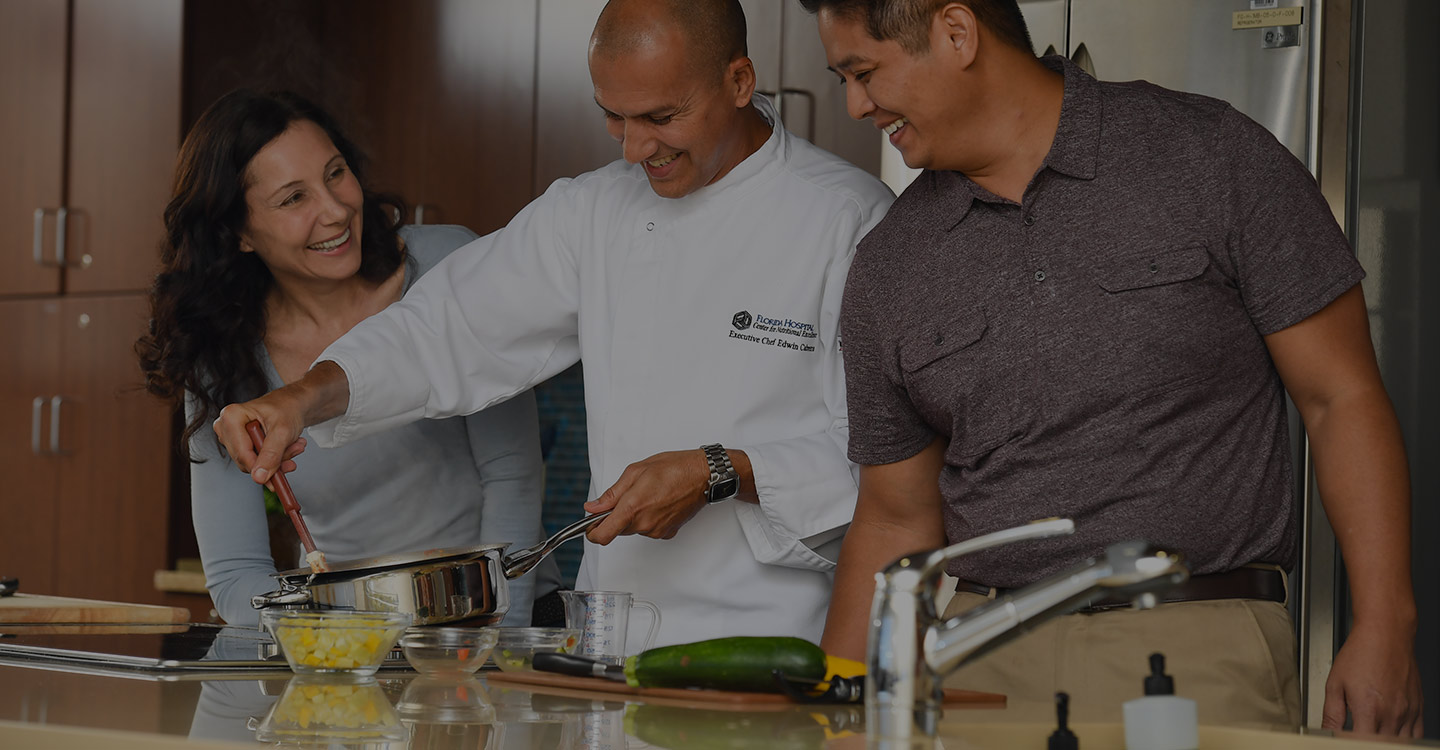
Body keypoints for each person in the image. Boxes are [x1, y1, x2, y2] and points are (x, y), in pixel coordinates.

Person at [800, 0, 1422, 737]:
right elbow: (894, 517)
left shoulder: (1211, 154)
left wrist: (1386, 624)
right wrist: (833, 718)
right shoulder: (888, 265)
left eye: (864, 72)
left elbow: (1340, 396)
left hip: (1197, 646)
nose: (855, 104)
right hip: (976, 665)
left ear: (957, 33)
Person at [208, 0, 895, 649]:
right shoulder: (591, 213)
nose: (634, 150)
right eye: (614, 118)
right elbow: (441, 331)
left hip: (775, 643)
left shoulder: (849, 221)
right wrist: (299, 398)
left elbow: (887, 474)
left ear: (739, 80)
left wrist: (718, 472)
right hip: (608, 647)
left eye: (660, 116)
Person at [136, 89, 562, 628]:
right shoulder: (220, 356)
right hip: (349, 642)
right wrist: (333, 641)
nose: (336, 210)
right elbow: (237, 574)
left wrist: (495, 643)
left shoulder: (446, 265)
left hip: (497, 619)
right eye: (294, 199)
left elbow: (511, 477)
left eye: (335, 174)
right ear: (238, 234)